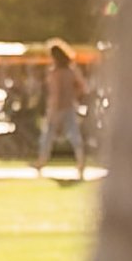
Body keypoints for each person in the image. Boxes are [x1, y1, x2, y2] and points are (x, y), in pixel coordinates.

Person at [39, 39, 90, 174]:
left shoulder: (55, 72)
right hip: (67, 106)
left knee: (48, 135)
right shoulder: (70, 71)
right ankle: (80, 161)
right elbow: (83, 87)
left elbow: (55, 93)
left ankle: (42, 161)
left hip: (57, 107)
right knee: (73, 134)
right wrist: (73, 95)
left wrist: (53, 109)